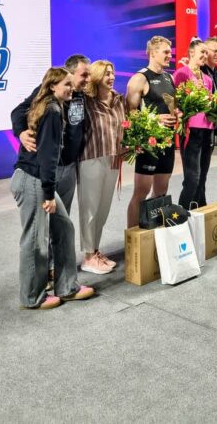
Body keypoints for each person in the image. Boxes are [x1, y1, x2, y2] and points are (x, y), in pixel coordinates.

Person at [10, 67, 95, 310]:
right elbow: (47, 156)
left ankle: (67, 287)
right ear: (52, 87)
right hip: (33, 179)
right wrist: (48, 193)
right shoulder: (53, 111)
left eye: (71, 84)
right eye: (67, 84)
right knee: (35, 239)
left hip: (37, 178)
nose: (72, 88)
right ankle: (32, 297)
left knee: (64, 228)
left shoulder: (52, 105)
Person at [11, 54, 90, 214]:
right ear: (69, 73)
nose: (88, 80)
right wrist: (21, 133)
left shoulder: (83, 94)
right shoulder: (48, 95)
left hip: (69, 167)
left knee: (62, 217)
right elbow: (18, 111)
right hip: (51, 167)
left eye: (89, 75)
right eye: (84, 75)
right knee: (43, 218)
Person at [126, 36, 179, 227]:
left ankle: (154, 231)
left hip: (167, 142)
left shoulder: (169, 77)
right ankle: (132, 236)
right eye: (166, 52)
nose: (170, 55)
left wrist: (178, 114)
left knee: (161, 192)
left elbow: (172, 107)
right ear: (152, 53)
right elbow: (130, 113)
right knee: (141, 193)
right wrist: (155, 119)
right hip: (149, 144)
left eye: (170, 52)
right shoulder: (139, 79)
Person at [78, 60, 125, 274]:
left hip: (113, 159)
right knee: (90, 209)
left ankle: (95, 251)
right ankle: (88, 257)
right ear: (97, 76)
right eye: (107, 73)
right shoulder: (86, 100)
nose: (111, 77)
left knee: (103, 209)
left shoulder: (119, 100)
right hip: (91, 158)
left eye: (112, 73)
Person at [173, 38, 215, 209]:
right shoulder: (181, 74)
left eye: (206, 53)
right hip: (191, 131)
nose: (205, 55)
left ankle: (198, 209)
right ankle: (181, 213)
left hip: (207, 130)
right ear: (191, 52)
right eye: (202, 52)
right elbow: (174, 102)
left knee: (202, 176)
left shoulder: (208, 79)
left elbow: (210, 105)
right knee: (192, 177)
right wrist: (179, 113)